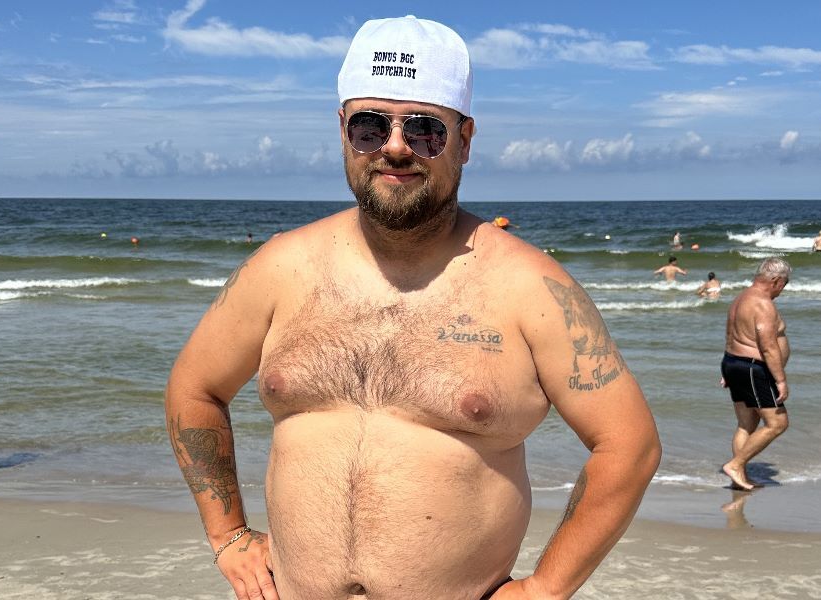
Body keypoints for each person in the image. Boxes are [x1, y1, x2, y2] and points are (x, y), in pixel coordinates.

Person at [165, 16, 661, 600]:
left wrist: (545, 589)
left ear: (465, 140)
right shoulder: (281, 267)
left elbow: (629, 445)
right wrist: (228, 535)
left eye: (425, 130)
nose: (395, 147)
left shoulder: (530, 286)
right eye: (370, 127)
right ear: (343, 130)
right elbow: (194, 389)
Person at [719, 258, 792, 491]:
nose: (782, 290)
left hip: (734, 362)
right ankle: (735, 465)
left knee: (746, 424)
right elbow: (768, 346)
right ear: (776, 281)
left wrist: (729, 370)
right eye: (784, 285)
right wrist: (780, 380)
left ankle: (738, 477)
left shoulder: (741, 298)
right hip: (752, 368)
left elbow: (732, 335)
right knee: (778, 423)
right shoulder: (762, 304)